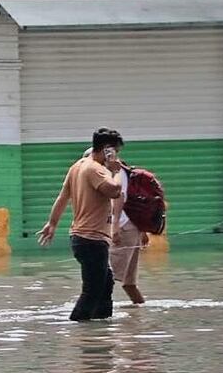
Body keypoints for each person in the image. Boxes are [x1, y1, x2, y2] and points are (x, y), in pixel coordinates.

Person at [37, 128, 124, 322]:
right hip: (92, 239)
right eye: (116, 151)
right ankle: (80, 329)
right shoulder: (96, 169)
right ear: (108, 150)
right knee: (92, 291)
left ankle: (102, 324)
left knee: (106, 283)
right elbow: (114, 191)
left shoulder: (78, 165)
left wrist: (52, 224)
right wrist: (116, 170)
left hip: (82, 238)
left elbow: (62, 197)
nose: (117, 155)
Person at [110, 162, 148, 305]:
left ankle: (99, 311)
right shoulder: (124, 173)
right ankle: (139, 312)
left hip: (122, 229)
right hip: (132, 227)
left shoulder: (115, 174)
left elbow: (119, 196)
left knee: (105, 277)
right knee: (129, 284)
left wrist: (114, 227)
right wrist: (142, 230)